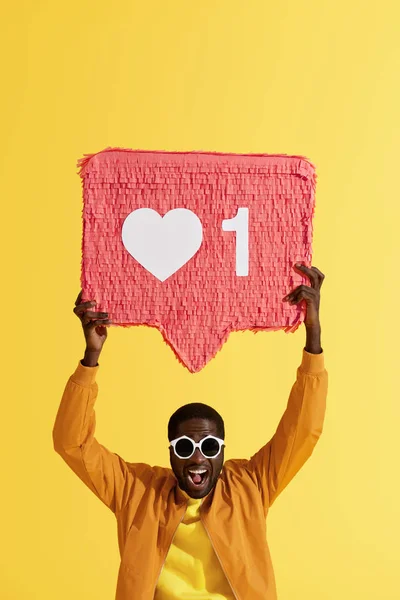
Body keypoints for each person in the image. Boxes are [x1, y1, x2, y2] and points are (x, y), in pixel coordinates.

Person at [53, 263, 328, 600]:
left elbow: (303, 430)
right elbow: (71, 442)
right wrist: (91, 357)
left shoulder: (252, 486)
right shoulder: (135, 492)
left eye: (210, 445)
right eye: (184, 447)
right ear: (170, 451)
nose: (198, 457)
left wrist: (313, 339)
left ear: (224, 450)